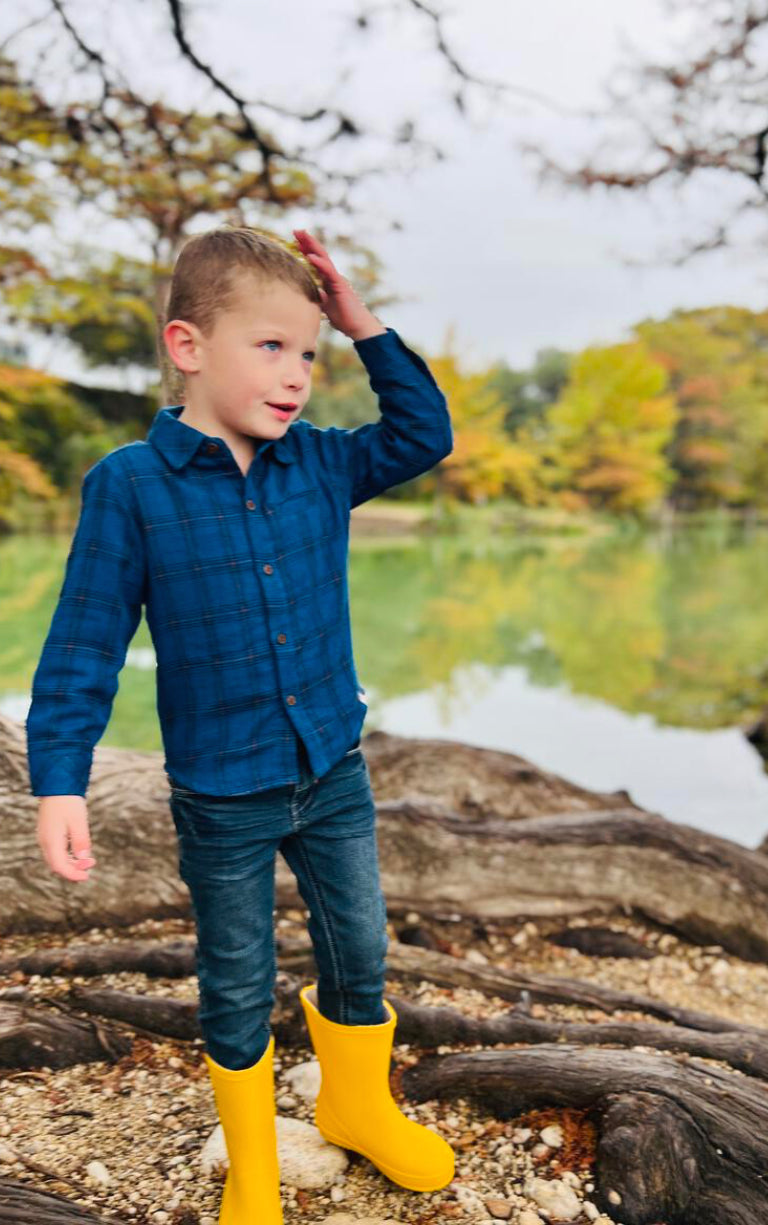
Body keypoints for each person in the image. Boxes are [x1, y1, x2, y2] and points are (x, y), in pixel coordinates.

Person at [26, 224, 456, 1223]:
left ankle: (355, 1104)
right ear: (188, 346)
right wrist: (59, 779)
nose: (298, 374)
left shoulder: (320, 464)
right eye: (270, 346)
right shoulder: (130, 485)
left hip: (331, 765)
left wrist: (361, 325)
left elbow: (425, 434)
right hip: (222, 786)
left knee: (360, 946)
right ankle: (255, 1160)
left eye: (308, 353)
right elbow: (85, 642)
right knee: (235, 974)